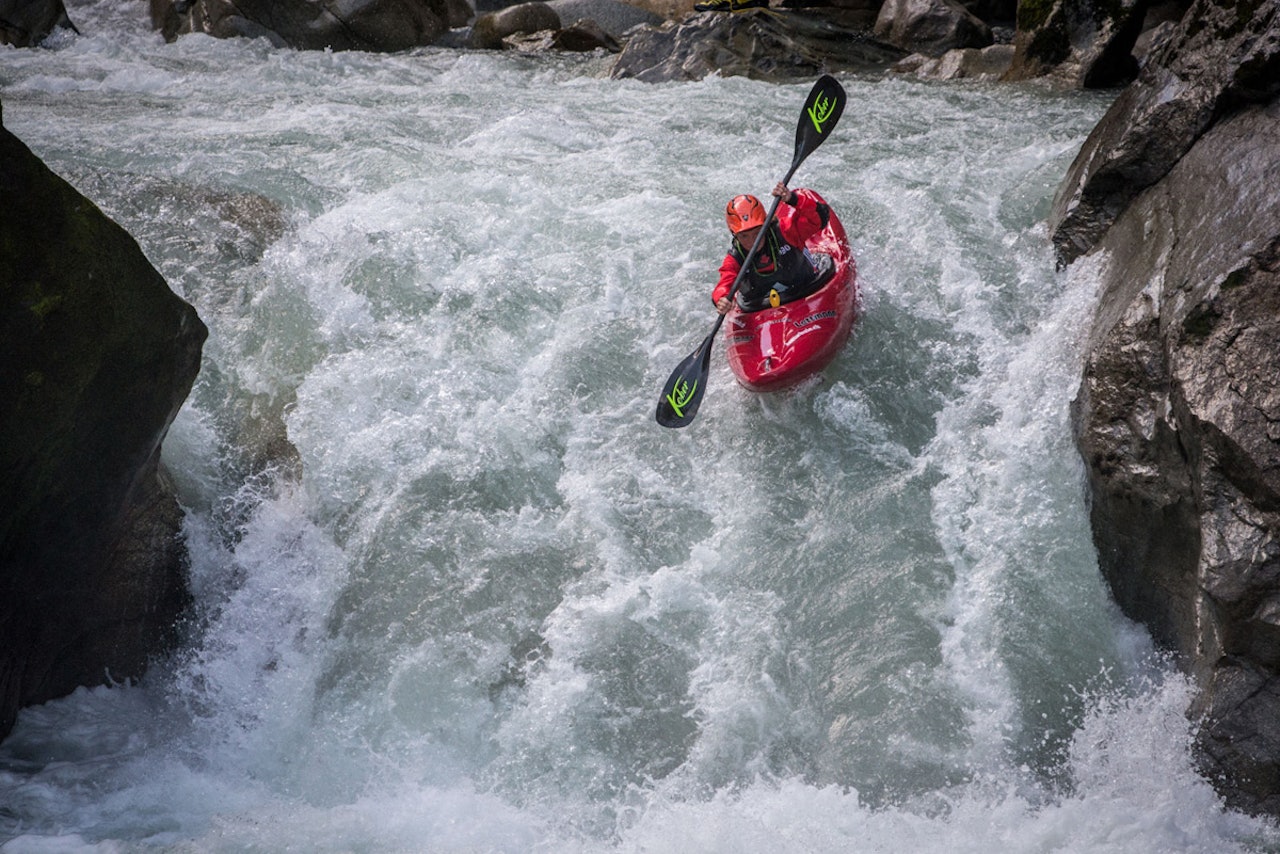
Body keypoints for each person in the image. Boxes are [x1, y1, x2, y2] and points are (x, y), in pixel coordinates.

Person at [712, 182, 834, 314]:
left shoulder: (786, 231)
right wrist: (722, 298)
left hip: (807, 289)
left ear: (766, 224)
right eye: (744, 236)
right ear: (735, 235)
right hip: (760, 307)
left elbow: (819, 218)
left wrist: (793, 199)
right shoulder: (735, 258)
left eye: (757, 232)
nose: (752, 241)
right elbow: (723, 285)